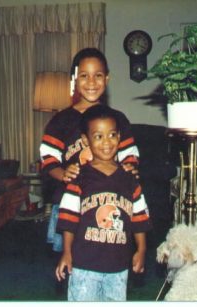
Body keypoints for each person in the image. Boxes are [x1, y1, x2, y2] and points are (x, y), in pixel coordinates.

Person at [40, 48, 139, 255]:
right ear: (74, 79)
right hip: (71, 201)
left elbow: (129, 154)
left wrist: (130, 166)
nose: (92, 82)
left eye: (98, 75)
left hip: (107, 200)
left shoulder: (117, 119)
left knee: (106, 256)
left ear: (107, 79)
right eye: (84, 76)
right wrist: (63, 174)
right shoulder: (61, 121)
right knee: (70, 260)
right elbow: (48, 159)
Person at [54, 105, 152, 301]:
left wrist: (141, 250)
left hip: (118, 267)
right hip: (83, 265)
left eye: (112, 135)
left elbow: (140, 218)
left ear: (119, 137)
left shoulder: (129, 179)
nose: (106, 142)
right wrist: (66, 252)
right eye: (98, 136)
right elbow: (68, 219)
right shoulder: (79, 177)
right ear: (85, 140)